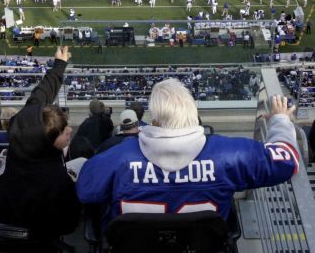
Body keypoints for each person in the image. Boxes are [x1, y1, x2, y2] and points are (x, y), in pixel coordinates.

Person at [77, 81, 300, 227]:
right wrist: (280, 121)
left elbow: (85, 191)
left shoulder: (119, 156)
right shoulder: (229, 155)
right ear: (193, 115)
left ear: (155, 121)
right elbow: (287, 160)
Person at [0, 47, 82, 240]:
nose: (70, 130)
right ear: (47, 142)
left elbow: (39, 96)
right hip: (35, 242)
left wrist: (59, 66)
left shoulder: (24, 131)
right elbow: (69, 225)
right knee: (83, 164)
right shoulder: (58, 181)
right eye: (64, 131)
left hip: (2, 218)